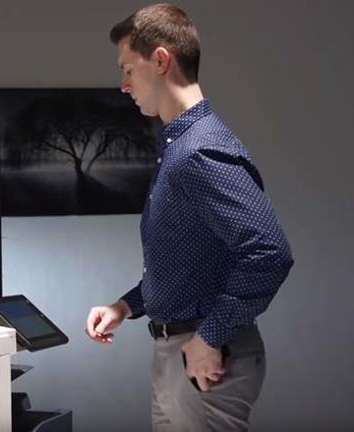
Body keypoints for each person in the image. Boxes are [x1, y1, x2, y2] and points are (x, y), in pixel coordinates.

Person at [85, 4, 294, 431]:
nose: (124, 84)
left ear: (161, 60)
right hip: (180, 351)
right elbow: (186, 264)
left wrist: (210, 337)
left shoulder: (199, 151)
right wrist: (125, 306)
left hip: (206, 356)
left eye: (128, 69)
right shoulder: (180, 148)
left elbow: (269, 252)